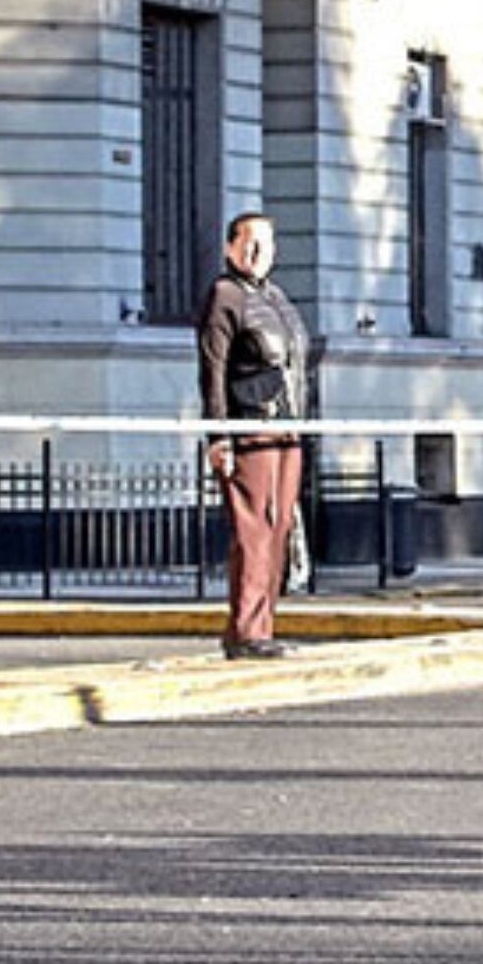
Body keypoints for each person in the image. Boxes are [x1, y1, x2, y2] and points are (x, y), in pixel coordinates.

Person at [197, 210, 310, 661]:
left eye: (265, 244)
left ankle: (263, 624)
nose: (257, 253)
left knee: (279, 525)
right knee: (252, 528)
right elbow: (213, 369)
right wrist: (220, 434)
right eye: (248, 243)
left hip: (289, 426)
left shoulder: (277, 298)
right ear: (230, 248)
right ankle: (245, 629)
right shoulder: (225, 296)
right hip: (251, 425)